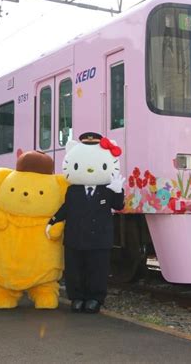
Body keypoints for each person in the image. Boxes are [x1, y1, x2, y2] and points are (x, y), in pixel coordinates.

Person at [46, 132, 125, 313]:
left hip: (99, 239)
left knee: (97, 270)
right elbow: (66, 208)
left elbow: (118, 206)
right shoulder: (73, 190)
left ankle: (95, 299)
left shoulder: (108, 190)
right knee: (74, 269)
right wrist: (53, 221)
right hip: (75, 237)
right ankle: (77, 297)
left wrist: (118, 191)